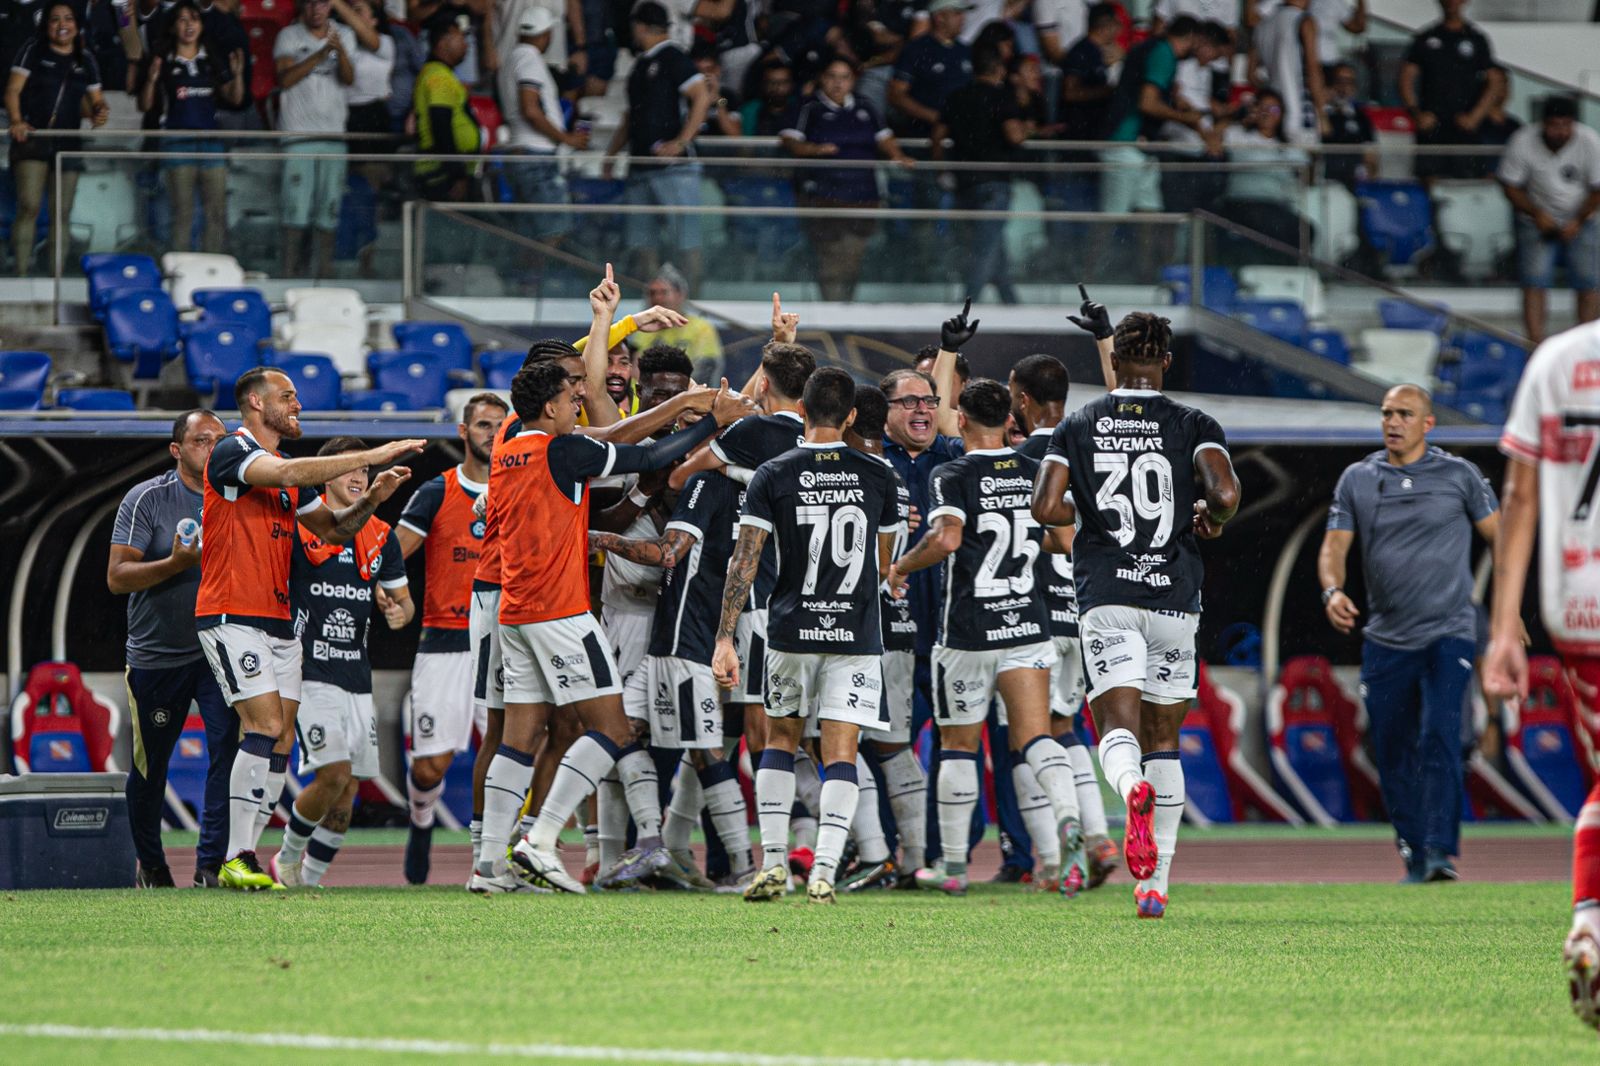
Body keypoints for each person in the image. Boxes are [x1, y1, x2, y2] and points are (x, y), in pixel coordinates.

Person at [472, 282, 749, 895]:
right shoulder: (561, 453)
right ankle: (541, 841)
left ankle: (488, 867)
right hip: (560, 611)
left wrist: (608, 324)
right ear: (550, 406)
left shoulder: (511, 446)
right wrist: (706, 418)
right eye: (570, 397)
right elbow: (648, 457)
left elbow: (611, 434)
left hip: (514, 613)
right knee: (615, 729)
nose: (579, 402)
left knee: (519, 738)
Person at [1031, 311, 1241, 919]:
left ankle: (1130, 790)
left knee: (1116, 729)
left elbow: (1045, 506)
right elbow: (1225, 494)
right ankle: (1156, 887)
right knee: (1164, 739)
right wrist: (1212, 519)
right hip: (1174, 598)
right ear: (1166, 362)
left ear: (1115, 360)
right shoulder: (1194, 423)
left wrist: (1089, 513)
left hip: (1110, 597)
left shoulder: (1078, 424)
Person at [195, 368, 423, 890]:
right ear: (256, 402)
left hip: (280, 624)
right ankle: (236, 855)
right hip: (233, 614)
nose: (297, 404)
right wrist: (372, 455)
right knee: (263, 727)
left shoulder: (286, 478)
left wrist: (373, 498)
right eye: (287, 396)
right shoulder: (232, 450)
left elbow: (336, 530)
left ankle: (247, 859)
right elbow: (287, 474)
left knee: (279, 740)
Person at [887, 376, 1088, 898]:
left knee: (958, 745)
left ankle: (953, 866)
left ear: (961, 418)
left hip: (969, 630)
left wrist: (901, 567)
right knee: (1036, 737)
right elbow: (1064, 539)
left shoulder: (952, 473)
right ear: (1008, 420)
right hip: (1027, 624)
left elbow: (947, 538)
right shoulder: (1032, 469)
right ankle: (1069, 819)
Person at [711, 367, 905, 905]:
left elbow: (744, 561)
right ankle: (824, 871)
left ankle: (774, 864)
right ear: (851, 417)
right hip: (855, 634)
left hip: (790, 630)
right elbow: (882, 563)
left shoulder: (772, 472)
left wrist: (725, 638)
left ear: (801, 410)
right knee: (841, 751)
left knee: (780, 741)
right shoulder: (880, 474)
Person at [586, 348, 757, 891]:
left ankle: (673, 851)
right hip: (633, 614)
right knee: (627, 737)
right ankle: (618, 853)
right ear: (641, 391)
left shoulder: (708, 464)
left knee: (694, 742)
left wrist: (774, 351)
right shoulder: (627, 445)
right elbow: (603, 512)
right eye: (657, 393)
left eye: (678, 395)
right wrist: (646, 489)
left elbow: (747, 404)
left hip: (689, 616)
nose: (669, 404)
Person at [1318, 384, 1500, 883]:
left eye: (1404, 413)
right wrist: (1332, 592)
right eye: (1386, 414)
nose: (1393, 422)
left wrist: (1508, 616)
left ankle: (1439, 851)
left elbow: (1503, 538)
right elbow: (1334, 546)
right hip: (1386, 638)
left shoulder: (1460, 475)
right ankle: (1414, 851)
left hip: (1450, 630)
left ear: (1428, 424)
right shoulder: (1358, 478)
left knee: (1442, 733)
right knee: (1391, 747)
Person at [1481, 319, 1600, 1035]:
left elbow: (1519, 499)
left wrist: (1504, 629)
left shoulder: (1557, 360)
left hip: (1580, 608)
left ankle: (1590, 920)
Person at [272, 436, 413, 888]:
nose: (359, 476)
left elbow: (405, 604)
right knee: (332, 774)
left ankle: (309, 881)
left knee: (349, 788)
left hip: (357, 675)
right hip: (309, 672)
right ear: (324, 476)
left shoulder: (382, 536)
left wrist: (398, 612)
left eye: (364, 470)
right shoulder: (300, 527)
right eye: (349, 467)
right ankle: (285, 859)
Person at [109, 410, 234, 889]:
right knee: (150, 767)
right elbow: (117, 577)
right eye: (202, 440)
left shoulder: (240, 494)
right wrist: (176, 564)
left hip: (219, 650)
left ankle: (210, 866)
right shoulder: (148, 498)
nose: (213, 448)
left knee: (228, 754)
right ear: (177, 451)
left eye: (220, 439)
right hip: (158, 654)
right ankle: (153, 866)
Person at [1009, 352, 1118, 887]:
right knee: (1066, 728)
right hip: (1085, 609)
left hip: (1036, 617)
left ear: (1022, 399)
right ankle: (1098, 835)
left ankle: (1053, 859)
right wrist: (1103, 340)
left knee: (1027, 738)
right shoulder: (1094, 450)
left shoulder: (1022, 458)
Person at [392, 392, 505, 884]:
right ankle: (421, 822)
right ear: (463, 432)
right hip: (445, 639)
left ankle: (490, 856)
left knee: (507, 756)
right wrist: (391, 595)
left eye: (500, 425)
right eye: (483, 425)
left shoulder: (519, 488)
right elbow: (392, 553)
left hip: (505, 641)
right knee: (429, 767)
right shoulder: (437, 490)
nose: (492, 434)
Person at [835, 384, 925, 889]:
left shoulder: (849, 473)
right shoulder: (896, 478)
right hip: (899, 622)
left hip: (852, 627)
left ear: (847, 420)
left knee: (828, 744)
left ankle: (871, 850)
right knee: (894, 748)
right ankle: (915, 860)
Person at [782, 56, 913, 302]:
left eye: (844, 77)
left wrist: (898, 155)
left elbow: (884, 137)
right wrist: (815, 149)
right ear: (822, 78)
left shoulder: (866, 106)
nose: (838, 83)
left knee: (853, 257)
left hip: (863, 194)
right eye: (832, 76)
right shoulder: (808, 106)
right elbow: (790, 140)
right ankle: (831, 309)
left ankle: (846, 306)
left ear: (853, 80)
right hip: (823, 194)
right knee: (829, 255)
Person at [602, 1, 711, 283]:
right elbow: (632, 116)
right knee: (642, 243)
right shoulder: (641, 64)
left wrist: (681, 142)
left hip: (674, 168)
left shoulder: (674, 56)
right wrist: (611, 154)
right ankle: (651, 304)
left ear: (639, 27)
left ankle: (690, 303)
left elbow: (702, 96)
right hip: (641, 165)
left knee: (686, 242)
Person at [5, 1, 109, 277]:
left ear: (77, 24)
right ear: (46, 25)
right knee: (28, 206)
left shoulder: (85, 58)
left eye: (68, 19)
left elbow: (96, 103)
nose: (62, 25)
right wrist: (16, 120)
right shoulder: (33, 49)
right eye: (55, 19)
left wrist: (100, 113)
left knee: (61, 213)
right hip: (33, 138)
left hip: (69, 142)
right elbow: (12, 90)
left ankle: (56, 278)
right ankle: (20, 274)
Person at [139, 0, 245, 254]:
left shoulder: (212, 58)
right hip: (177, 143)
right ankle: (181, 268)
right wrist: (151, 80)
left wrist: (238, 74)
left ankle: (212, 265)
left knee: (216, 212)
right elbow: (145, 106)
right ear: (173, 27)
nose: (189, 25)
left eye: (194, 19)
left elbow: (235, 98)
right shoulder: (163, 60)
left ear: (201, 25)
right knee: (183, 213)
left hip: (211, 144)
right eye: (182, 20)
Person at [1497, 95, 1600, 345]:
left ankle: (1585, 346)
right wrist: (1537, 214)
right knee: (1534, 280)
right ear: (1543, 123)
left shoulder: (1589, 140)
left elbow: (1598, 188)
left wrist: (1577, 220)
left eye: (1566, 125)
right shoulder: (1523, 140)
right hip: (1535, 218)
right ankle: (1535, 345)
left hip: (1582, 217)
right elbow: (1510, 185)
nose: (1561, 131)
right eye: (1555, 125)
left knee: (1589, 281)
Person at [934, 43, 1027, 305]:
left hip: (964, 181)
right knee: (985, 247)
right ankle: (968, 305)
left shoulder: (957, 96)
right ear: (999, 69)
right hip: (994, 181)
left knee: (991, 243)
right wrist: (1027, 128)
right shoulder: (1002, 97)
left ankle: (1011, 301)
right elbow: (1015, 135)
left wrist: (941, 169)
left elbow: (937, 135)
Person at [275, 0, 357, 277]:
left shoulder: (344, 34)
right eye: (310, 3)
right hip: (298, 136)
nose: (316, 10)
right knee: (294, 211)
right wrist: (321, 55)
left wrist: (339, 51)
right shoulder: (289, 35)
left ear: (330, 6)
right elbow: (285, 79)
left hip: (333, 135)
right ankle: (288, 273)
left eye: (321, 3)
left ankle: (324, 272)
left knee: (329, 211)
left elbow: (348, 79)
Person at [499, 6, 588, 243]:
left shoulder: (510, 59)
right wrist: (566, 138)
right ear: (546, 34)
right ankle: (540, 270)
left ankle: (528, 269)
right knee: (553, 231)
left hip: (519, 151)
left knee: (530, 235)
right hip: (535, 155)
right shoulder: (529, 59)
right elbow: (530, 109)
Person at [1099, 15, 1202, 214]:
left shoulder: (1152, 48)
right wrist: (1185, 118)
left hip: (1142, 147)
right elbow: (1147, 103)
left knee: (1150, 213)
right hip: (1124, 144)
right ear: (1190, 37)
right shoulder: (1163, 52)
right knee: (1113, 216)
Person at [1398, 0, 1494, 185]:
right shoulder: (1426, 37)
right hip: (1432, 125)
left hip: (1463, 126)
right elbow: (1405, 78)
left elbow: (1495, 81)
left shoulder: (1476, 38)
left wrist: (1476, 116)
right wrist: (1417, 114)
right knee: (1429, 181)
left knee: (1467, 181)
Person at [413, 8, 480, 201]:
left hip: (448, 171)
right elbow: (441, 125)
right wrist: (456, 174)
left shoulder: (442, 73)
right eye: (461, 38)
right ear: (443, 42)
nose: (466, 44)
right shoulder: (438, 76)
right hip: (443, 175)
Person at [886, 0, 971, 140]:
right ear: (939, 17)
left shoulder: (966, 50)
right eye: (957, 13)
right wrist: (937, 118)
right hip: (923, 136)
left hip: (962, 136)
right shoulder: (916, 50)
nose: (963, 18)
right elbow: (896, 95)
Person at [624, 264, 724, 383]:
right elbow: (631, 368)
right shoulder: (642, 328)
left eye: (663, 292)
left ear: (680, 295)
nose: (657, 298)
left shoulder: (701, 328)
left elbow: (707, 368)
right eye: (652, 293)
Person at [1254, 0, 1325, 147]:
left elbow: (1251, 74)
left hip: (1276, 110)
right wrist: (1322, 114)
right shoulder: (1304, 21)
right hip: (1300, 109)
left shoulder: (1262, 24)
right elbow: (1313, 69)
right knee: (1305, 157)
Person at [1059, 3, 1121, 143]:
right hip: (1080, 132)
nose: (1119, 30)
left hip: (1097, 127)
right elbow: (1070, 93)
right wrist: (1107, 91)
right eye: (1116, 24)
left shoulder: (1101, 52)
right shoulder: (1081, 53)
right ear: (1105, 25)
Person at [1321, 60, 1377, 190]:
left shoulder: (1361, 118)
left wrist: (1366, 176)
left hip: (1354, 182)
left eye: (1349, 82)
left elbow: (1371, 159)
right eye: (1339, 81)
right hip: (1327, 182)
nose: (1344, 87)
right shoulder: (1320, 113)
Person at [741, 59, 799, 136]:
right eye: (772, 82)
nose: (777, 87)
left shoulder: (801, 109)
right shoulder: (751, 110)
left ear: (792, 84)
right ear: (763, 84)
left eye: (783, 82)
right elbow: (745, 140)